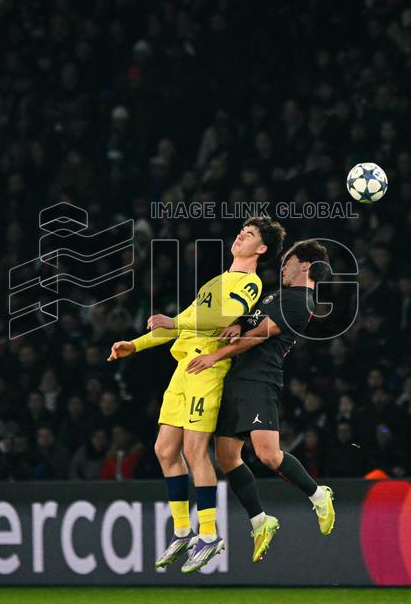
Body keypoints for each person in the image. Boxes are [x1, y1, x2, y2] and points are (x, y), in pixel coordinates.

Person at [107, 217, 283, 573]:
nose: (240, 235)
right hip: (183, 370)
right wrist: (135, 345)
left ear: (261, 249)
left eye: (249, 235)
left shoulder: (249, 283)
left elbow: (224, 317)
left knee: (193, 450)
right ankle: (183, 531)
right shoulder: (217, 280)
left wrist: (177, 323)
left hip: (207, 370)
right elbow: (182, 320)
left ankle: (209, 534)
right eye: (241, 231)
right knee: (164, 450)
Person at [188, 240, 335, 563]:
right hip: (237, 379)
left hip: (260, 380)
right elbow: (250, 323)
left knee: (268, 455)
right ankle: (260, 521)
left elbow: (258, 336)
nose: (282, 267)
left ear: (305, 267)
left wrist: (216, 355)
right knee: (226, 457)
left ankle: (317, 494)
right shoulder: (277, 295)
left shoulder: (302, 301)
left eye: (288, 262)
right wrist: (238, 323)